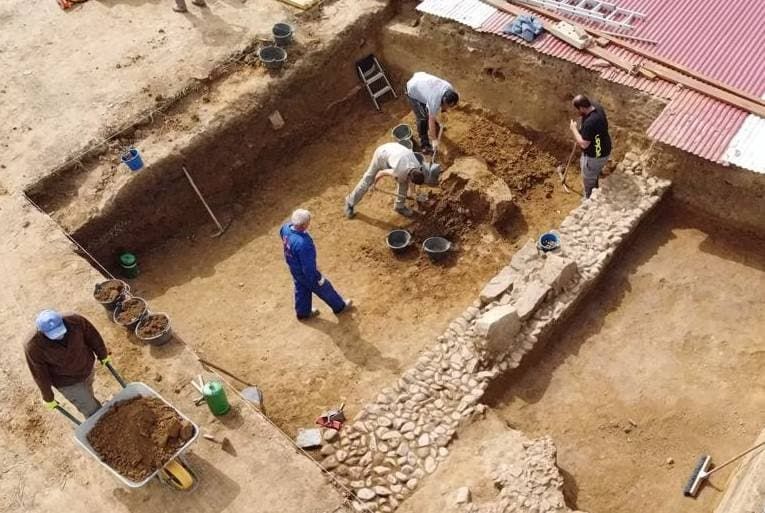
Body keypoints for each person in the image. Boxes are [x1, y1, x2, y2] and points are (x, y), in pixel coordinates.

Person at [25, 310, 111, 418]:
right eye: (53, 334)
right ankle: (101, 421)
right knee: (91, 409)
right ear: (42, 332)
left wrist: (103, 354)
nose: (59, 336)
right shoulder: (34, 346)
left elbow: (93, 336)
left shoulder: (75, 321)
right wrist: (48, 397)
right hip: (66, 382)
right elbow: (40, 374)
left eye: (60, 330)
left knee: (88, 391)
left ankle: (92, 403)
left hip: (86, 367)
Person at [279, 209, 353, 320]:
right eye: (308, 221)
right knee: (324, 287)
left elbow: (282, 234)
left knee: (301, 288)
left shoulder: (286, 228)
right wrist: (315, 278)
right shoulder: (303, 244)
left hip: (294, 267)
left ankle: (303, 313)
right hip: (305, 272)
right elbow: (308, 267)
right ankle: (340, 306)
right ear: (304, 225)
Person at [345, 143, 425, 219]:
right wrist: (374, 184)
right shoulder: (400, 172)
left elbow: (411, 182)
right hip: (381, 155)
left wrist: (413, 193)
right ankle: (350, 202)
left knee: (403, 183)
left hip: (393, 150)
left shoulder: (417, 165)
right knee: (368, 179)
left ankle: (399, 207)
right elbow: (381, 173)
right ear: (409, 176)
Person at [569, 95, 612, 199]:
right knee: (595, 170)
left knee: (588, 177)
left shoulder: (590, 123)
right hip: (604, 148)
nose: (577, 111)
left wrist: (574, 129)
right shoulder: (597, 107)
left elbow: (584, 144)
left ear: (582, 108)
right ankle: (596, 175)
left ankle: (589, 198)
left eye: (578, 109)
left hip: (595, 156)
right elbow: (584, 119)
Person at [405, 72, 459, 154]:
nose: (448, 108)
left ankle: (436, 128)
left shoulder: (450, 88)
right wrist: (434, 140)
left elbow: (447, 104)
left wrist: (443, 110)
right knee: (423, 118)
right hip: (412, 90)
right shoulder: (434, 100)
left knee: (430, 112)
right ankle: (425, 145)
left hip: (421, 80)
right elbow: (431, 119)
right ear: (443, 101)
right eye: (447, 106)